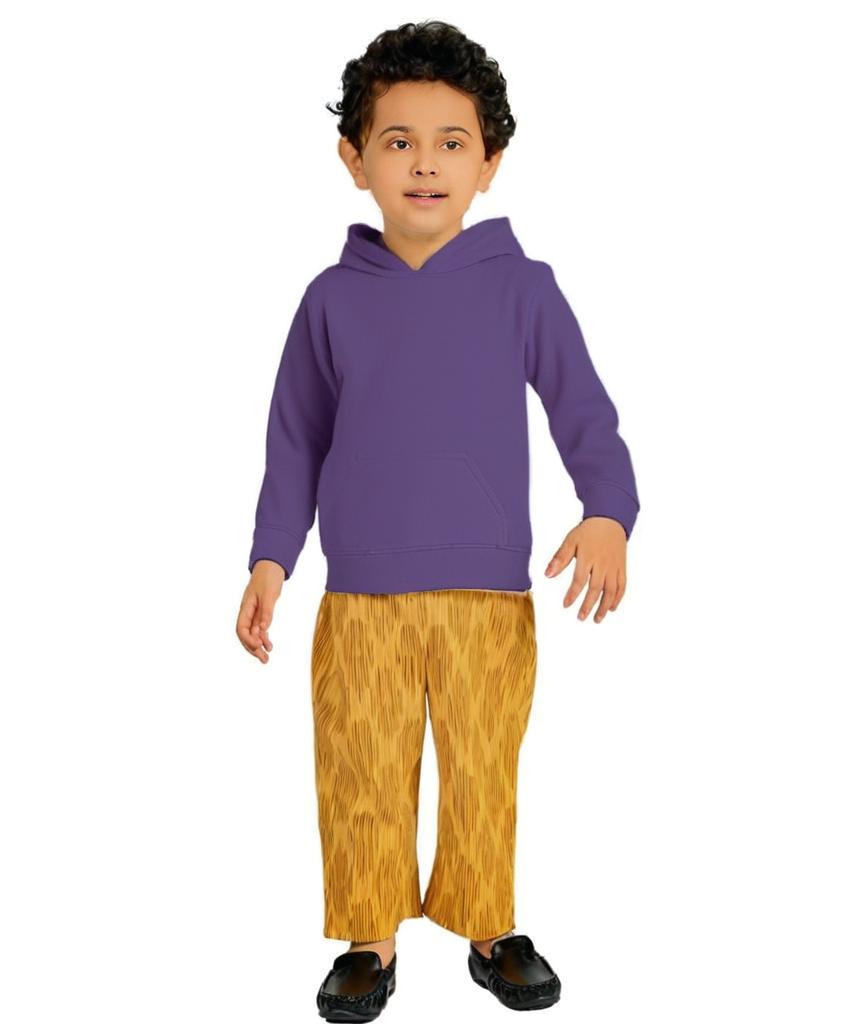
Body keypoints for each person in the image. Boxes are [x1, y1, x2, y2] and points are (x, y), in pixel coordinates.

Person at [236, 19, 640, 1021]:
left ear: (488, 163)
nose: (425, 163)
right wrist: (271, 559)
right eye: (399, 141)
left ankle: (489, 926)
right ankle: (368, 937)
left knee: (481, 770)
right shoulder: (330, 301)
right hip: (360, 598)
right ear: (355, 160)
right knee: (360, 768)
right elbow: (294, 439)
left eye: (451, 142)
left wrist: (608, 511)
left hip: (486, 594)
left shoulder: (524, 290)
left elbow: (584, 412)